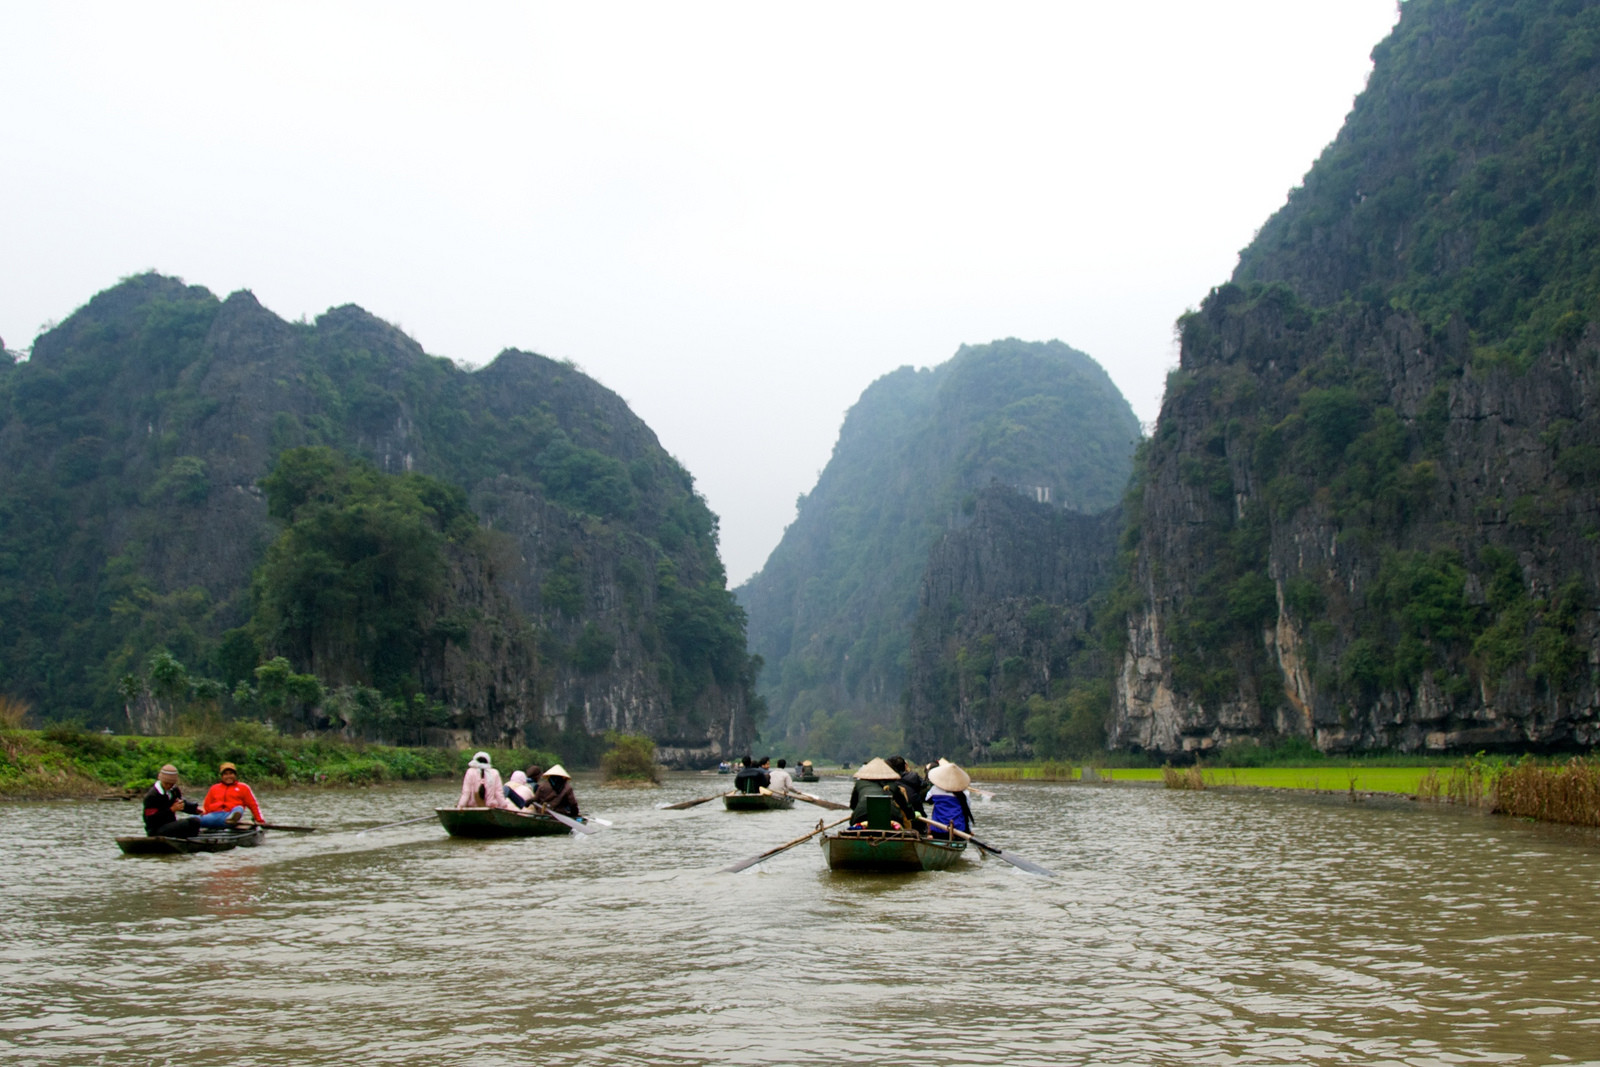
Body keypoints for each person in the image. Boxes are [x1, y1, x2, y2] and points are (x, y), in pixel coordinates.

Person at [848, 757, 918, 830]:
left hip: (861, 816)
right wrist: (912, 815)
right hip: (891, 816)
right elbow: (905, 807)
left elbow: (853, 805)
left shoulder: (859, 784)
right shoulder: (893, 785)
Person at [141, 764, 201, 838]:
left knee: (195, 822)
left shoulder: (174, 791)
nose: (168, 786)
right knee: (185, 824)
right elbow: (150, 819)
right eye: (166, 783)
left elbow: (181, 804)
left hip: (170, 825)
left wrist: (195, 809)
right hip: (156, 829)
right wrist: (171, 810)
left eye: (171, 784)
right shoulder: (152, 796)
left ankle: (189, 842)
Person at [199, 762, 264, 828]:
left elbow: (253, 805)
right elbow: (206, 806)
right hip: (213, 816)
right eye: (226, 774)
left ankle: (232, 819)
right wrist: (203, 814)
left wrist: (260, 820)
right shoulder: (214, 788)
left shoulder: (243, 787)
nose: (229, 776)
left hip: (229, 816)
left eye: (231, 773)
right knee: (193, 818)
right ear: (222, 776)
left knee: (239, 808)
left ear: (235, 775)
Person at [925, 760, 975, 839]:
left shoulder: (934, 790)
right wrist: (969, 830)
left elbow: (927, 800)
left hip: (938, 831)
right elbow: (967, 812)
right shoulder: (965, 792)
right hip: (958, 831)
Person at [887, 755, 927, 819]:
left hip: (899, 815)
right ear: (905, 766)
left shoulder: (888, 781)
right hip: (917, 812)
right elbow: (924, 784)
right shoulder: (914, 776)